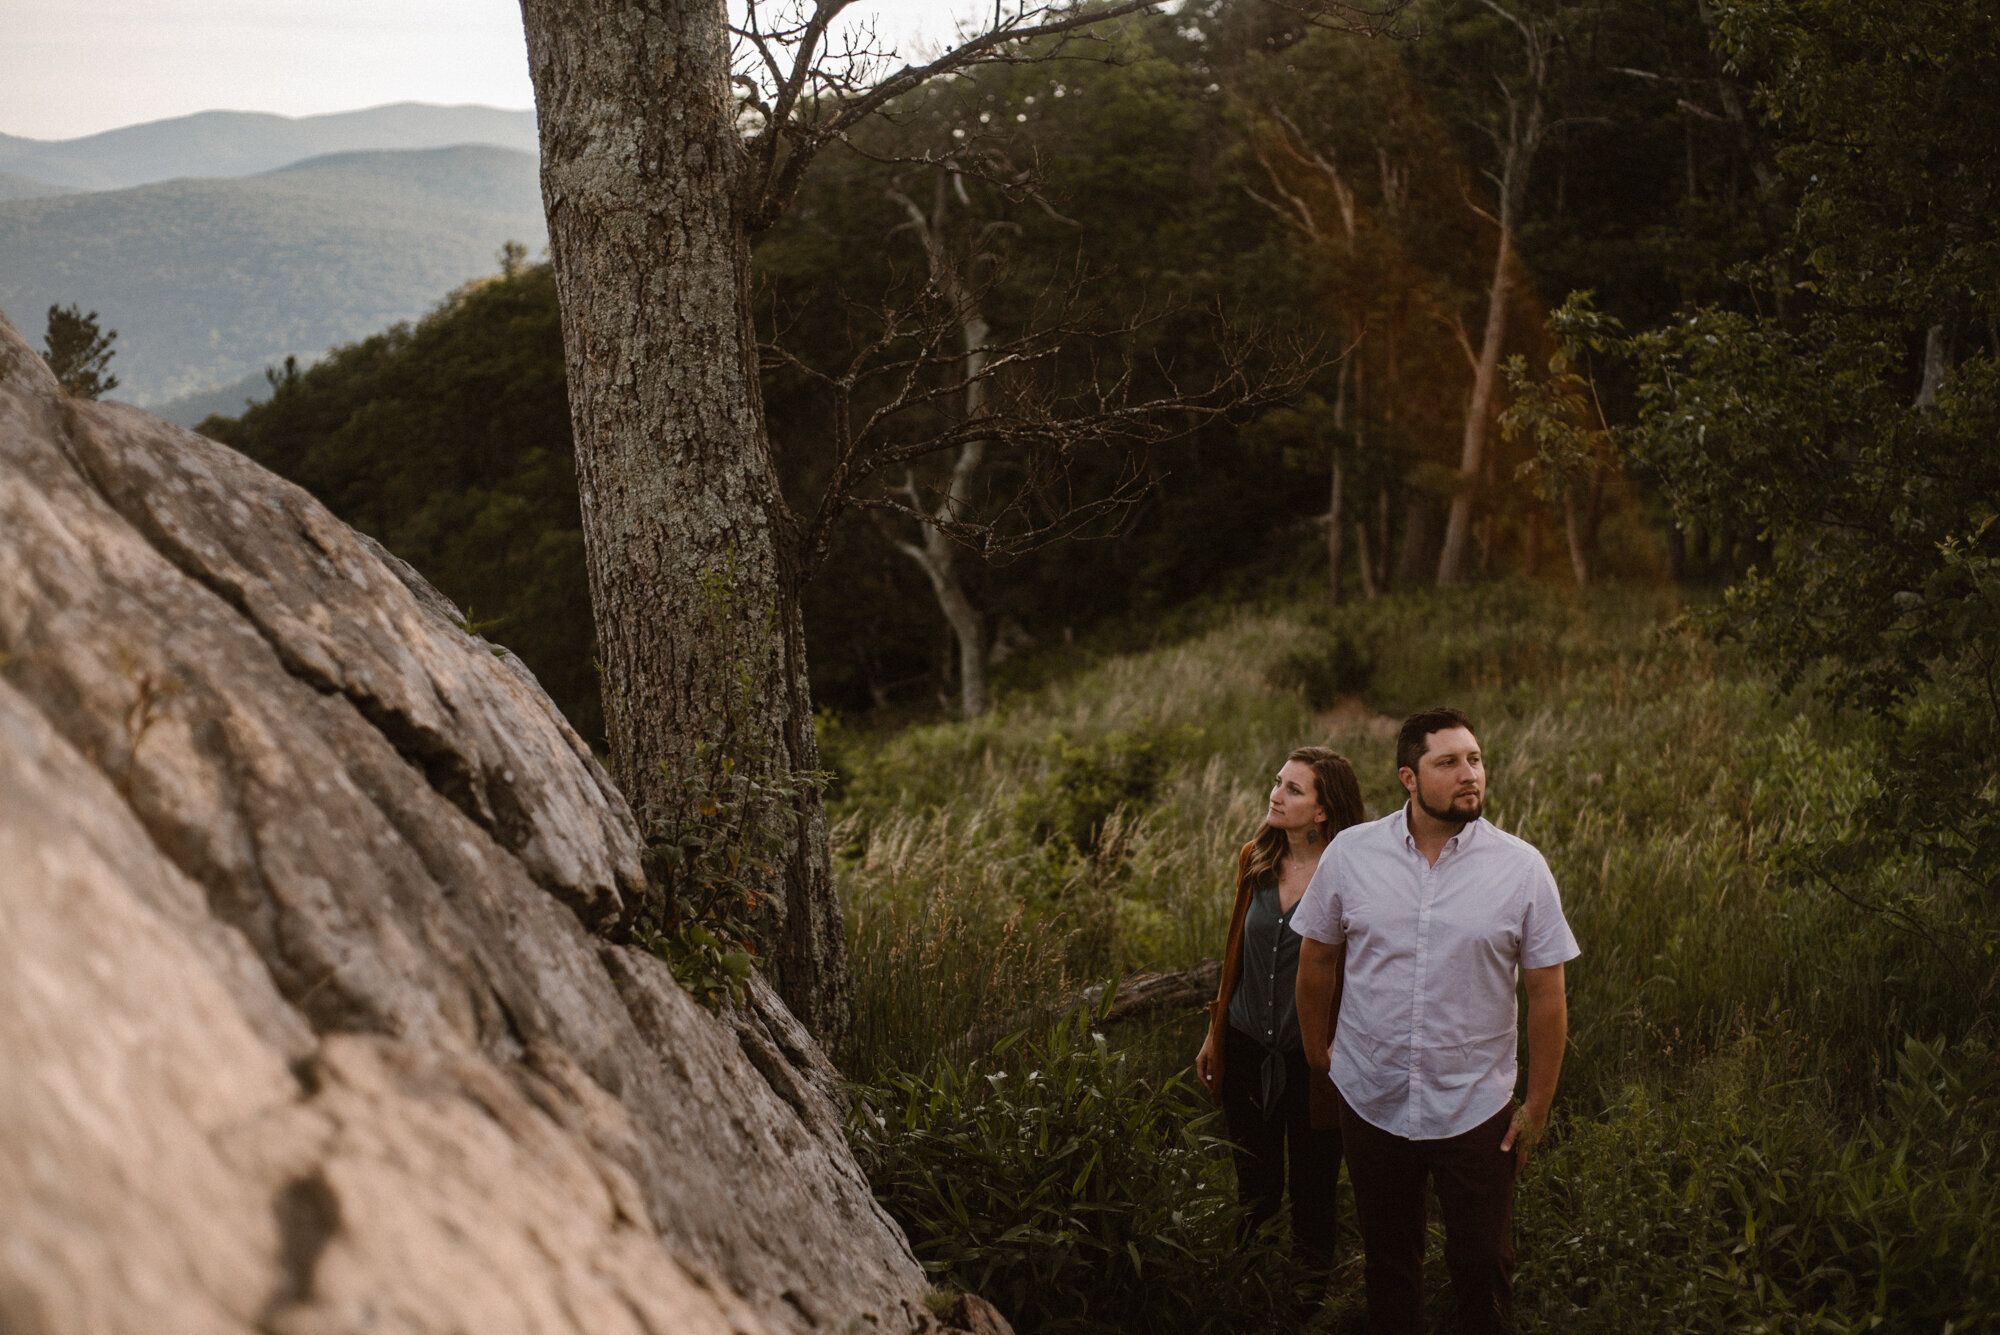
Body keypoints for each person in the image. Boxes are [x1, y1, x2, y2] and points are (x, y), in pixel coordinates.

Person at [1292, 707, 1579, 1334]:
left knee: (1484, 1266)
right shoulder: (1352, 853)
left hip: (1475, 1109)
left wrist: (1537, 1106)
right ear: (1408, 777)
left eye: (1474, 759)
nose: (1468, 773)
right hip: (1372, 1099)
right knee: (1390, 1267)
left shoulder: (1521, 867)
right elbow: (1316, 961)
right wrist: (1323, 1058)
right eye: (1448, 762)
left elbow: (1547, 994)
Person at [1196, 745, 1366, 1270]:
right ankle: (1247, 1290)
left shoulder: (1352, 875)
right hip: (1246, 1048)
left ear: (1323, 810)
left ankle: (1305, 1303)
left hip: (1314, 1060)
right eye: (1277, 782)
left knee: (1313, 1190)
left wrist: (1344, 1050)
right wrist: (1215, 1033)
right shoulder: (1256, 859)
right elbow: (1235, 957)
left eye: (1293, 789)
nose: (1275, 794)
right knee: (1254, 1185)